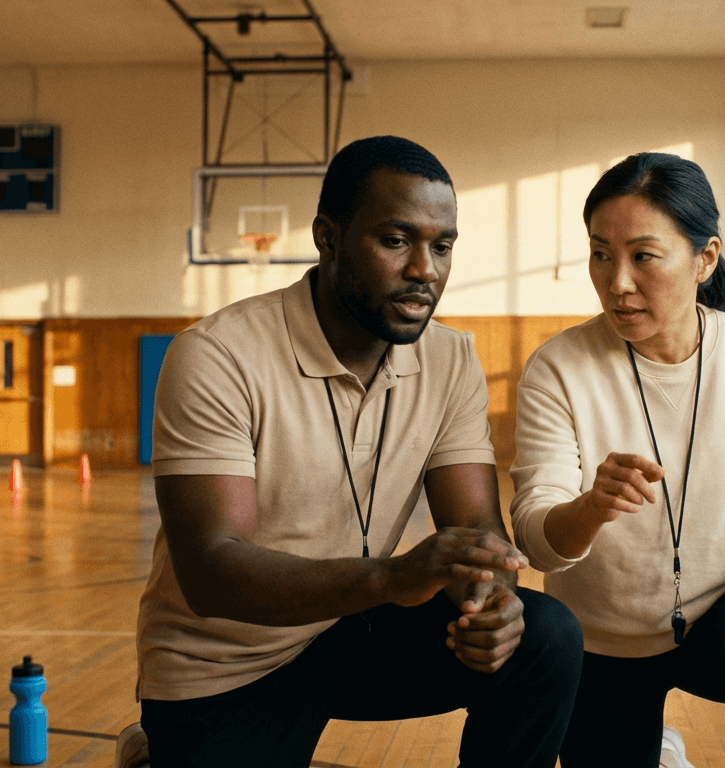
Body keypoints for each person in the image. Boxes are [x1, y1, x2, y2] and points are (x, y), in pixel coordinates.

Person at [132, 135, 582, 768]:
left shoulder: (450, 359)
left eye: (442, 246)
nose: (425, 269)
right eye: (396, 240)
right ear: (329, 237)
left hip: (358, 624)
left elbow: (478, 528)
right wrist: (391, 579)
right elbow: (212, 571)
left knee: (545, 636)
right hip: (227, 662)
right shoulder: (218, 355)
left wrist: (494, 602)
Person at [509, 152, 725, 767]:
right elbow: (535, 537)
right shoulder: (557, 368)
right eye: (601, 254)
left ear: (705, 259)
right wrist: (591, 507)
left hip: (718, 616)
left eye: (643, 256)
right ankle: (659, 750)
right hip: (600, 640)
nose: (617, 282)